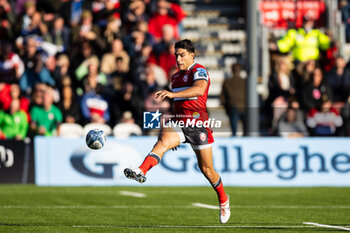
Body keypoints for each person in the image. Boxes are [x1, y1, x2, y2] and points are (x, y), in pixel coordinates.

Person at [123, 39, 230, 224]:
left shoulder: (199, 71)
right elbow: (179, 106)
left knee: (207, 170)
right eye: (176, 55)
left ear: (191, 55)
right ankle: (141, 170)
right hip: (180, 122)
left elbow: (199, 89)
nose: (178, 59)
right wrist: (171, 132)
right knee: (163, 142)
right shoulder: (175, 77)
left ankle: (223, 199)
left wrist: (172, 94)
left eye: (182, 55)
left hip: (198, 124)